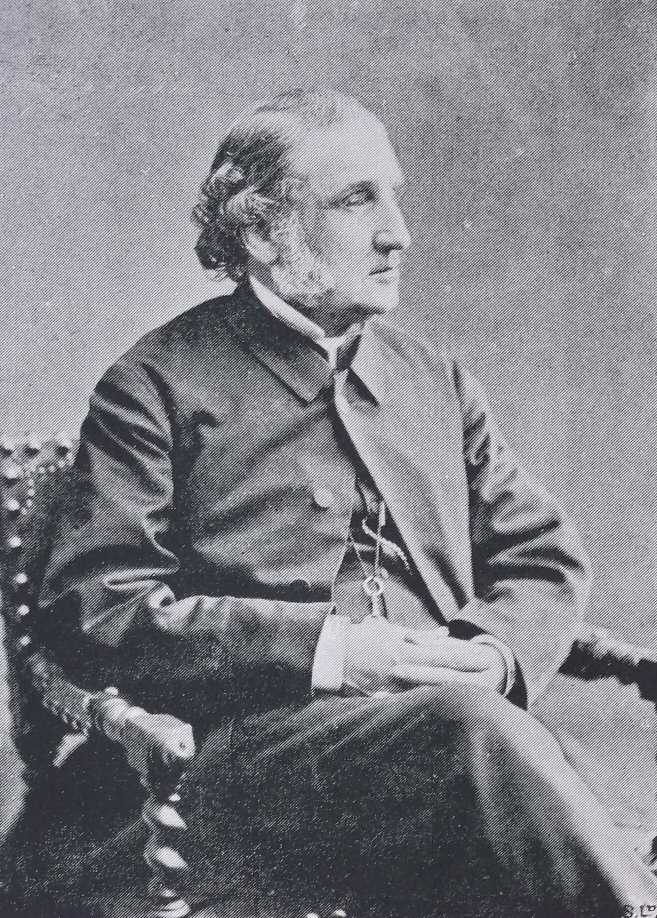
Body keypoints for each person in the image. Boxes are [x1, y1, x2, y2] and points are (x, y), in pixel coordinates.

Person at [26, 89, 657, 916]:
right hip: (240, 772)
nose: (398, 232)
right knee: (481, 742)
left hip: (447, 759)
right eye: (357, 199)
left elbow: (539, 556)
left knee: (531, 776)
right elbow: (98, 609)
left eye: (393, 195)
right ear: (262, 232)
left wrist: (494, 654)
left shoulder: (432, 380)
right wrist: (330, 651)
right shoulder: (155, 384)